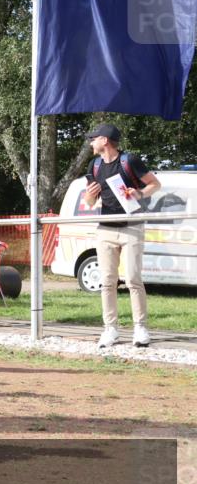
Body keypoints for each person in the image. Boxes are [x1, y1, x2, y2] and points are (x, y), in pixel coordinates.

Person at [82, 123, 161, 348]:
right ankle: (110, 329)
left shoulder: (130, 161)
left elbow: (155, 184)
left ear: (104, 140)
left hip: (132, 226)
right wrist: (89, 195)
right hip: (105, 228)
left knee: (134, 279)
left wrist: (139, 193)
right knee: (107, 281)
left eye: (93, 138)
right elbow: (89, 203)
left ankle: (140, 328)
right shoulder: (94, 165)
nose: (90, 142)